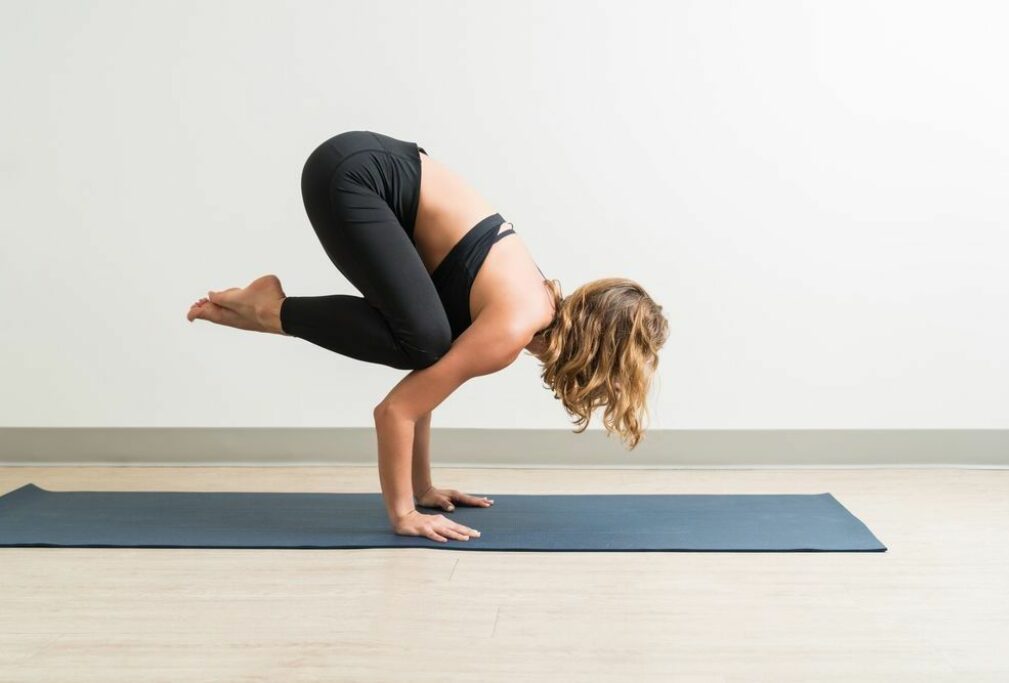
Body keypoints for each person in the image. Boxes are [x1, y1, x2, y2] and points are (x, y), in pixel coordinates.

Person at [186, 130, 669, 543]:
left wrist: (424, 489)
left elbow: (426, 381)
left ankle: (268, 306)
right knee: (424, 341)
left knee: (427, 341)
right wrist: (404, 514)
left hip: (362, 165)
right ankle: (270, 308)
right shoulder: (514, 325)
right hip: (354, 176)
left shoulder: (529, 303)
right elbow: (396, 410)